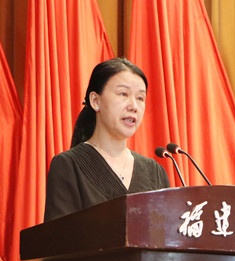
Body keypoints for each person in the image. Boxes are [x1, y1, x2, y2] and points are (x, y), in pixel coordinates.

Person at [44, 58, 170, 221]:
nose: (133, 106)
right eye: (123, 94)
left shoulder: (155, 172)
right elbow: (60, 235)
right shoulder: (69, 166)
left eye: (140, 98)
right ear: (95, 101)